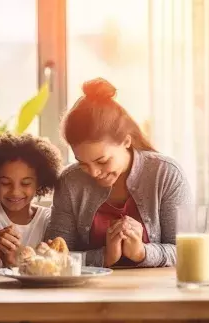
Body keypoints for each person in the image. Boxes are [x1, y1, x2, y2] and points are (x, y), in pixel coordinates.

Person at [45, 78, 193, 268]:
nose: (94, 172)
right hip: (86, 294)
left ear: (126, 141)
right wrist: (104, 257)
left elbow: (187, 251)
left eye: (102, 161)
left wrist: (142, 252)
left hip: (157, 291)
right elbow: (56, 257)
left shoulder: (167, 174)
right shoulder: (69, 182)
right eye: (82, 163)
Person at [0, 133, 62, 268]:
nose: (15, 192)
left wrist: (16, 264)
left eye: (25, 183)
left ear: (39, 184)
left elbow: (54, 269)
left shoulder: (48, 219)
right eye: (5, 183)